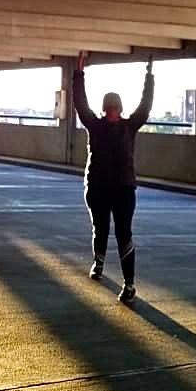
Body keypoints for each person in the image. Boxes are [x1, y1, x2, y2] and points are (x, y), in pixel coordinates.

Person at [73, 51, 154, 303]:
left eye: (114, 108)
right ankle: (98, 262)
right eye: (109, 108)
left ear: (118, 108)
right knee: (101, 228)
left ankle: (129, 284)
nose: (112, 112)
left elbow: (145, 105)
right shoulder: (94, 125)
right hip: (98, 188)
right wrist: (79, 72)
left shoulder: (130, 126)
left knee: (123, 233)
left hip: (122, 189)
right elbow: (80, 104)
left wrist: (149, 77)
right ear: (106, 108)